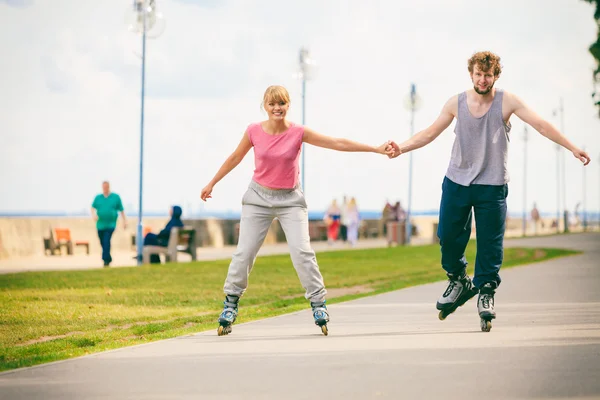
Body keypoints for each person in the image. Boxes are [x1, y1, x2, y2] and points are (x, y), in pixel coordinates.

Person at [387, 51, 591, 331]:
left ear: (496, 75)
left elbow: (541, 125)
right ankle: (458, 278)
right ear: (471, 74)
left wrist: (572, 147)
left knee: (490, 244)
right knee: (447, 235)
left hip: (492, 184)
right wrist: (402, 146)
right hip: (457, 181)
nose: (483, 79)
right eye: (479, 74)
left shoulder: (507, 101)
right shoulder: (455, 103)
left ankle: (485, 292)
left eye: (488, 75)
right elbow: (430, 133)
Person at [200, 85, 395, 336]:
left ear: (288, 105)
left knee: (302, 252)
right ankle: (230, 303)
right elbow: (235, 158)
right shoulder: (253, 131)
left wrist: (376, 148)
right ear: (265, 106)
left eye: (281, 103)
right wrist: (212, 182)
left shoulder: (298, 132)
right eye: (272, 104)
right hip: (257, 198)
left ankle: (318, 303)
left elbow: (336, 142)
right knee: (244, 252)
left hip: (291, 199)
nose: (277, 108)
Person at [91, 181, 127, 267]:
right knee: (103, 242)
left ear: (109, 187)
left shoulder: (115, 197)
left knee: (106, 240)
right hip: (100, 225)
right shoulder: (98, 198)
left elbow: (121, 210)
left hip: (111, 224)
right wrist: (94, 215)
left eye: (106, 187)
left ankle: (106, 260)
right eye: (104, 187)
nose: (105, 189)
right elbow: (92, 208)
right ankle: (108, 257)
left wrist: (124, 221)